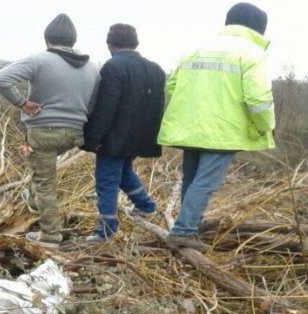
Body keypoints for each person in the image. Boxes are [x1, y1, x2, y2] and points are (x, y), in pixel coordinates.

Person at [158, 2, 275, 251]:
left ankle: (191, 224)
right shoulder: (253, 53)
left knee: (192, 178)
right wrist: (265, 126)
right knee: (206, 182)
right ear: (258, 29)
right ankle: (183, 231)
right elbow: (258, 99)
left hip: (190, 127)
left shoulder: (196, 48)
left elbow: (172, 86)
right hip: (222, 131)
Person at [0, 13, 100, 248]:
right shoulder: (92, 68)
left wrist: (22, 103)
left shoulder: (40, 59)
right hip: (74, 134)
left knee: (44, 184)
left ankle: (50, 235)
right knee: (39, 177)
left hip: (44, 132)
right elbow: (93, 104)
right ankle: (35, 203)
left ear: (46, 39)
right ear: (73, 40)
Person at [81, 24, 166, 243]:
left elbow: (105, 108)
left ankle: (106, 232)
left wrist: (93, 140)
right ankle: (146, 206)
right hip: (141, 137)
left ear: (110, 44)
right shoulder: (155, 69)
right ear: (135, 43)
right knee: (124, 171)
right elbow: (157, 107)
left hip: (115, 138)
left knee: (106, 181)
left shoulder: (113, 66)